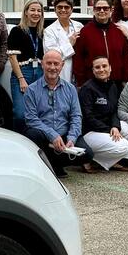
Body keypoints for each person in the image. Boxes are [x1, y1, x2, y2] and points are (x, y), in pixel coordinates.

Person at [23, 49, 90, 178]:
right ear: (42, 64)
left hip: (64, 134)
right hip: (43, 135)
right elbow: (31, 119)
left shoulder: (70, 89)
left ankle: (55, 164)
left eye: (56, 64)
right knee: (32, 134)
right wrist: (52, 135)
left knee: (88, 154)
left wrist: (72, 138)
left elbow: (76, 116)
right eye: (49, 63)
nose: (52, 67)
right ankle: (48, 166)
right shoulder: (31, 90)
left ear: (62, 65)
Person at [77, 55, 128, 172]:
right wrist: (109, 130)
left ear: (110, 68)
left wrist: (115, 127)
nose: (101, 69)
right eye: (97, 67)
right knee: (124, 146)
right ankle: (92, 158)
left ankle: (115, 160)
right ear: (93, 70)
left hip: (105, 127)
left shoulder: (113, 86)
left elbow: (114, 111)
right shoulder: (87, 89)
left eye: (104, 66)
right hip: (90, 132)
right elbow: (88, 118)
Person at [73, 0, 128, 85]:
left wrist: (125, 79)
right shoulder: (85, 32)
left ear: (111, 10)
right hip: (92, 83)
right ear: (94, 10)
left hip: (116, 82)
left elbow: (126, 57)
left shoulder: (119, 31)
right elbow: (78, 59)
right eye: (98, 8)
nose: (102, 11)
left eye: (105, 8)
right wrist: (81, 82)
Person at [7, 0, 47, 132]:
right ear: (26, 12)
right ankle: (18, 139)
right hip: (23, 73)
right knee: (20, 114)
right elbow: (12, 57)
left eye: (39, 11)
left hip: (40, 73)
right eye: (32, 10)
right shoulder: (17, 31)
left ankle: (34, 139)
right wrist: (21, 79)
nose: (36, 13)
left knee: (38, 112)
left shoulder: (42, 32)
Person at [44, 0, 82, 82]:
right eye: (60, 7)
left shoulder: (79, 26)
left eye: (66, 7)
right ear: (55, 10)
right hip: (62, 74)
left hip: (79, 73)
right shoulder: (49, 31)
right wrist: (70, 44)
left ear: (72, 9)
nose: (63, 10)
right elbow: (52, 57)